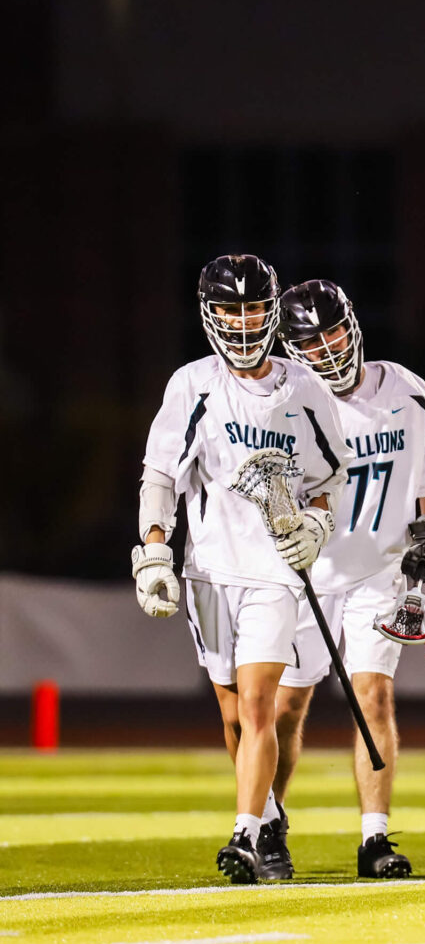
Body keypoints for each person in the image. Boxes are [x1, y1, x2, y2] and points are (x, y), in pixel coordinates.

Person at [134, 254, 350, 883]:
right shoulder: (193, 384)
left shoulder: (305, 388)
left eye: (253, 306)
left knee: (258, 706)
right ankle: (271, 815)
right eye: (230, 308)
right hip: (210, 571)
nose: (243, 320)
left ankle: (246, 835)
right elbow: (162, 473)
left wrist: (316, 525)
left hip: (277, 574)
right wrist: (153, 547)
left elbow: (331, 478)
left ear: (272, 309)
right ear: (210, 313)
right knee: (232, 714)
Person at [262, 279, 425, 880]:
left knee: (373, 694)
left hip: (379, 568)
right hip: (308, 573)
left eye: (335, 333)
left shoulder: (405, 389)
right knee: (289, 705)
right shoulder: (286, 403)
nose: (327, 349)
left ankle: (375, 838)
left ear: (354, 325)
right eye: (312, 342)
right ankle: (269, 821)